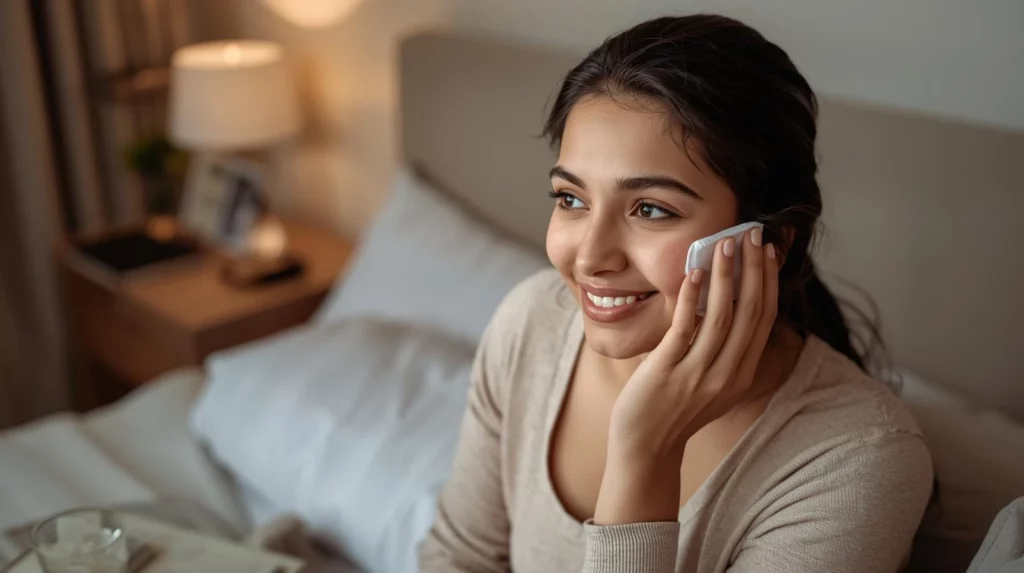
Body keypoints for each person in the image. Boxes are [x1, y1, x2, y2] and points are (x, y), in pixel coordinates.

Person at [419, 14, 933, 573]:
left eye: (651, 210)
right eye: (571, 199)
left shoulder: (859, 462)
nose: (590, 257)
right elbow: (457, 559)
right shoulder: (531, 323)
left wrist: (645, 451)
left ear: (771, 242)